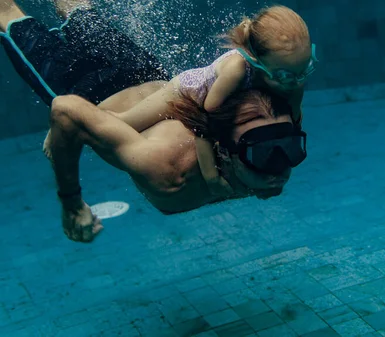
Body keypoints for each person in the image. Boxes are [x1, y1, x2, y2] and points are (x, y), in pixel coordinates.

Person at [0, 0, 308, 243]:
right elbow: (65, 109)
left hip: (141, 69)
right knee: (7, 13)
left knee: (76, 9)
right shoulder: (165, 167)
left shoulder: (269, 116)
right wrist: (72, 204)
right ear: (224, 151)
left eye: (291, 148)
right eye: (264, 155)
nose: (281, 168)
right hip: (83, 88)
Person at [113, 4, 317, 197]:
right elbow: (206, 120)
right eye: (284, 76)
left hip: (215, 99)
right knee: (125, 124)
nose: (296, 81)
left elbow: (294, 119)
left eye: (305, 69)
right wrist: (213, 179)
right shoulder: (236, 70)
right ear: (255, 60)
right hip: (188, 90)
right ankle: (88, 116)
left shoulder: (292, 77)